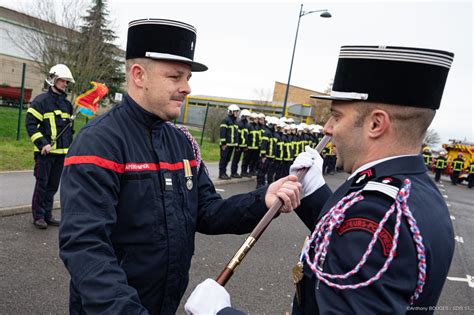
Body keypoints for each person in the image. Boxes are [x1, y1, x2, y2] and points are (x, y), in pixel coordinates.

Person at [185, 45, 455, 314]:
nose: (327, 128)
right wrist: (316, 195)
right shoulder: (412, 189)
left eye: (337, 116)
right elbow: (348, 248)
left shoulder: (378, 215)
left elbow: (361, 237)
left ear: (376, 124)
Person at [58, 18, 302, 315]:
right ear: (138, 75)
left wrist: (261, 200)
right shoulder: (99, 142)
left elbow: (207, 212)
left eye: (188, 78)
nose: (187, 88)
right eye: (176, 77)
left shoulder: (182, 143)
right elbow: (85, 246)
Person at [25, 64, 74, 229]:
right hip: (45, 153)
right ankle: (38, 216)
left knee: (53, 186)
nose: (65, 84)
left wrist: (70, 148)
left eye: (67, 82)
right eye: (63, 81)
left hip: (61, 154)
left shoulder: (67, 105)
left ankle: (47, 215)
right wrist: (43, 143)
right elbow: (30, 125)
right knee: (42, 184)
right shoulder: (41, 101)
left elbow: (68, 131)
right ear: (53, 79)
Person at [219, 104, 240, 179]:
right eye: (235, 112)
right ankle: (221, 174)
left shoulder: (235, 122)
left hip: (232, 145)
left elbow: (236, 134)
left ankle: (224, 173)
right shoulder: (226, 120)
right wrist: (223, 143)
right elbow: (222, 132)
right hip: (226, 145)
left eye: (237, 112)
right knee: (223, 159)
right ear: (231, 112)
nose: (237, 113)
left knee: (227, 159)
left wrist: (237, 145)